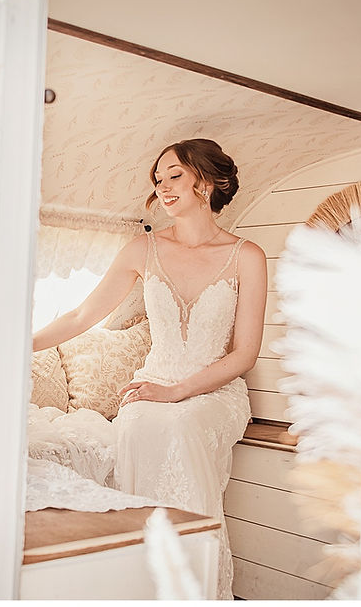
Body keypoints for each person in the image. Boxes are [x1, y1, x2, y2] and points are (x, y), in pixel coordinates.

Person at [33, 138, 267, 599]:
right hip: (152, 386)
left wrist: (178, 391)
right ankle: (144, 585)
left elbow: (244, 355)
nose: (163, 187)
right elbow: (82, 317)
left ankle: (193, 585)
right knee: (139, 420)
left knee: (180, 423)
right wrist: (17, 348)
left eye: (174, 175)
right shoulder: (142, 248)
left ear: (206, 181)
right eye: (158, 180)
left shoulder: (248, 256)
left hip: (213, 392)